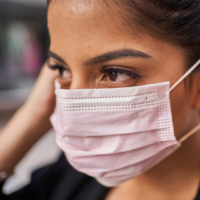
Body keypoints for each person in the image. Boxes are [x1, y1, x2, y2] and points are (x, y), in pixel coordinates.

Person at [1, 0, 200, 199]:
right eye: (62, 69)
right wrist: (33, 115)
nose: (74, 119)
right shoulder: (73, 177)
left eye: (115, 73)